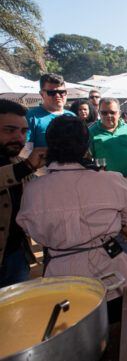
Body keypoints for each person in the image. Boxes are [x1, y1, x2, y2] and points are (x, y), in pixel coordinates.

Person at [17, 116, 127, 323]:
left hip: (61, 272)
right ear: (86, 146)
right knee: (123, 326)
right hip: (113, 267)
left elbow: (31, 231)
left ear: (49, 146)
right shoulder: (112, 181)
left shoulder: (33, 190)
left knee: (74, 330)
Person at [0, 100, 47, 288]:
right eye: (9, 130)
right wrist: (26, 167)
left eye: (23, 131)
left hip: (16, 256)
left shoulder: (20, 162)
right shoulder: (23, 166)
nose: (19, 138)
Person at [88, 98, 127, 178]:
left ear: (119, 113)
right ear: (99, 113)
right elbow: (88, 157)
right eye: (104, 113)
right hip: (106, 182)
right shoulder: (91, 131)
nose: (108, 116)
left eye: (112, 112)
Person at [26, 73, 76, 149]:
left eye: (61, 92)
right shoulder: (31, 116)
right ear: (42, 94)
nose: (58, 96)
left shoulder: (72, 116)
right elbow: (26, 150)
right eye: (52, 93)